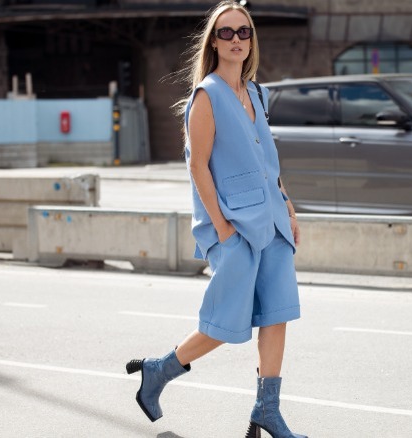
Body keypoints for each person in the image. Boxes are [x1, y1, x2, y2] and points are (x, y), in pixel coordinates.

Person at [125, 2, 307, 437]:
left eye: (243, 32)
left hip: (274, 221)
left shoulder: (257, 92)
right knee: (227, 322)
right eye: (226, 33)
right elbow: (197, 165)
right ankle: (159, 371)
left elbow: (268, 161)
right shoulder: (206, 96)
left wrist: (289, 206)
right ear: (213, 42)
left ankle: (267, 410)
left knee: (277, 313)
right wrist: (222, 227)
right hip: (235, 226)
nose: (237, 40)